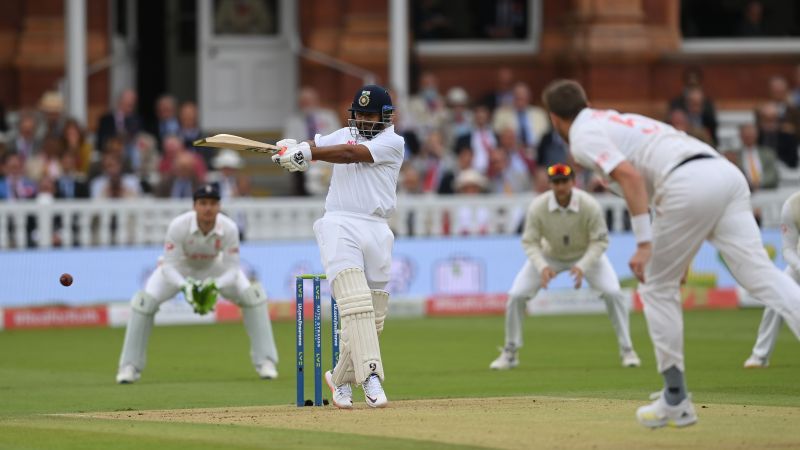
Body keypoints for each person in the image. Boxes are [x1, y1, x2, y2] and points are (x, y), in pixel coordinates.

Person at [541, 79, 800, 429]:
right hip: (723, 173)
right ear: (585, 102)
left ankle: (675, 398)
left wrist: (645, 245)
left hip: (689, 181)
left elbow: (635, 180)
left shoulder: (583, 137)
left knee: (654, 287)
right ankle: (674, 397)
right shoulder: (613, 121)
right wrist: (680, 257)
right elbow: (651, 189)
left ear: (555, 119)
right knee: (762, 277)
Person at [271, 84, 404, 409]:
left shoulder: (392, 142)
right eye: (359, 113)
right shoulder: (345, 132)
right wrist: (296, 148)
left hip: (377, 227)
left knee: (373, 317)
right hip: (339, 223)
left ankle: (341, 379)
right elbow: (318, 145)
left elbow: (348, 155)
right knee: (355, 303)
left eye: (370, 114)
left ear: (385, 117)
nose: (363, 119)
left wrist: (310, 153)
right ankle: (371, 376)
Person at [115, 184, 279, 383]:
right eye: (203, 203)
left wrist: (215, 285)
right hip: (180, 268)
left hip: (213, 267)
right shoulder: (179, 225)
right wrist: (185, 286)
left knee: (253, 298)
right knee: (143, 303)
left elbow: (233, 269)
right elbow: (168, 266)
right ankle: (129, 367)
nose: (208, 208)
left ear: (218, 206)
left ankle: (266, 362)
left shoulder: (229, 228)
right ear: (194, 206)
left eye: (212, 203)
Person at [489, 163, 640, 370]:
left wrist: (583, 266)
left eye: (564, 182)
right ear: (550, 184)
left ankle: (627, 349)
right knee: (516, 295)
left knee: (613, 293)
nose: (560, 187)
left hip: (586, 254)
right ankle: (510, 351)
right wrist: (542, 267)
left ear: (573, 182)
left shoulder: (588, 205)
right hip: (549, 255)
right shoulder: (539, 206)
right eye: (556, 182)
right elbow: (530, 241)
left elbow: (600, 241)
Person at [743, 191, 800, 368]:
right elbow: (788, 249)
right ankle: (760, 357)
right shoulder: (792, 206)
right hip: (799, 265)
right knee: (776, 299)